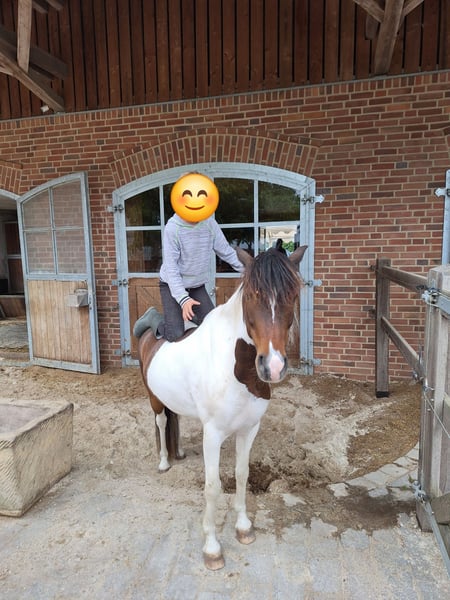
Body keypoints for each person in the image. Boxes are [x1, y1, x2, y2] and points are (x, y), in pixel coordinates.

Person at [133, 173, 243, 341]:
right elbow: (171, 269)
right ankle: (153, 318)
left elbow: (226, 252)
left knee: (214, 326)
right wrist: (183, 300)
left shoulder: (210, 224)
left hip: (196, 286)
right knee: (175, 333)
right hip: (171, 285)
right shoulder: (173, 229)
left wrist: (250, 270)